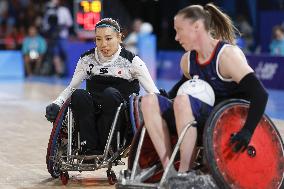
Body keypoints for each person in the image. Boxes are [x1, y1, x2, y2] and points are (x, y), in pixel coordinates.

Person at [141, 3, 268, 175]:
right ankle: (168, 170)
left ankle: (185, 173)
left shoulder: (227, 56)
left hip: (223, 122)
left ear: (196, 27)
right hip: (193, 116)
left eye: (179, 30)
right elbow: (182, 87)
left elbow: (260, 94)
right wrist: (165, 97)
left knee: (183, 101)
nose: (176, 37)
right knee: (149, 100)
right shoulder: (187, 60)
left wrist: (247, 131)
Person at [45, 18, 159, 156]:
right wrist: (57, 103)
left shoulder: (132, 61)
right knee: (79, 95)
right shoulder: (87, 60)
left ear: (119, 38)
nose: (103, 44)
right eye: (98, 39)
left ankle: (109, 146)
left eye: (108, 38)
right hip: (93, 112)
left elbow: (153, 91)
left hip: (120, 117)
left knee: (110, 94)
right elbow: (71, 87)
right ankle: (88, 146)